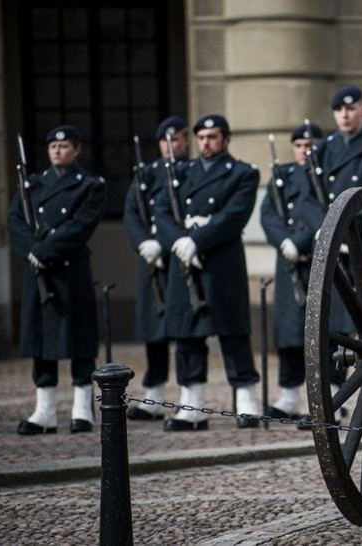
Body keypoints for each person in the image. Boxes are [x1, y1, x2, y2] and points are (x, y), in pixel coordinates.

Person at [154, 114, 261, 431]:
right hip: (185, 261)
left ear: (226, 139)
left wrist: (198, 240)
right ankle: (192, 406)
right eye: (201, 137)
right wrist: (179, 242)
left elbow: (234, 215)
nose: (206, 143)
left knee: (233, 332)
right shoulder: (180, 172)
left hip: (221, 263)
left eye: (213, 137)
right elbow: (161, 212)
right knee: (188, 334)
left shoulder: (242, 173)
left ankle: (247, 402)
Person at [300, 84, 362, 421]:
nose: (345, 114)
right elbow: (306, 198)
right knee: (327, 317)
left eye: (351, 108)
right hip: (330, 241)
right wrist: (326, 228)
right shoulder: (320, 150)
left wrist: (342, 229)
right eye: (339, 110)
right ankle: (330, 392)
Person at [8, 124, 107, 434]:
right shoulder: (33, 184)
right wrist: (33, 251)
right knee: (41, 342)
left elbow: (80, 226)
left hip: (70, 270)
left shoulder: (89, 185)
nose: (57, 151)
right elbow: (15, 222)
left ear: (77, 150)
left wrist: (45, 250)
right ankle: (45, 411)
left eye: (64, 146)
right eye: (53, 146)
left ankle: (82, 409)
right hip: (39, 271)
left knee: (80, 341)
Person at [123, 116, 189, 420]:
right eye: (165, 140)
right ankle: (154, 393)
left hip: (178, 257)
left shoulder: (192, 171)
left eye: (175, 139)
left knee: (185, 331)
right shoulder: (146, 174)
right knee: (154, 330)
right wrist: (144, 244)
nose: (170, 145)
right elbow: (132, 214)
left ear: (185, 141)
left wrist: (165, 242)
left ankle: (189, 392)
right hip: (151, 261)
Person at [259, 122, 325, 419]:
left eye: (309, 145)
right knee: (289, 329)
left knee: (324, 330)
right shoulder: (281, 177)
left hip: (319, 258)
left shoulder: (325, 175)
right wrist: (284, 241)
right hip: (289, 262)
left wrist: (299, 241)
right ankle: (288, 394)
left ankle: (331, 390)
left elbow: (322, 215)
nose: (304, 151)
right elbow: (268, 215)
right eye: (298, 146)